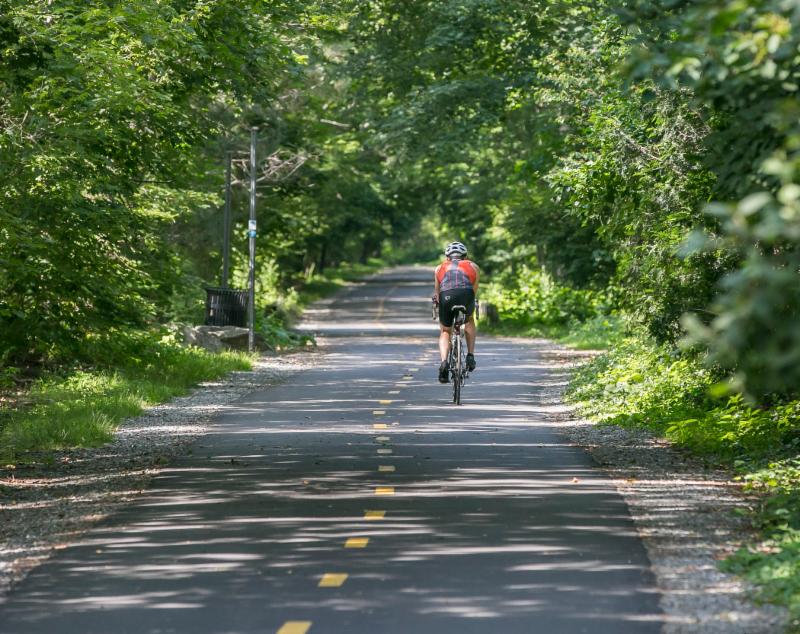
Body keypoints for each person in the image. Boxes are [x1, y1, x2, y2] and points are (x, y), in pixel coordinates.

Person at [433, 241, 480, 383]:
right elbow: (474, 290)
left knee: (445, 331)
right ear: (465, 256)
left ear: (447, 257)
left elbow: (438, 292)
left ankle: (444, 363)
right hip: (466, 295)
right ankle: (470, 355)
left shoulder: (439, 268)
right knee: (469, 319)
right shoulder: (474, 266)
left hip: (446, 296)